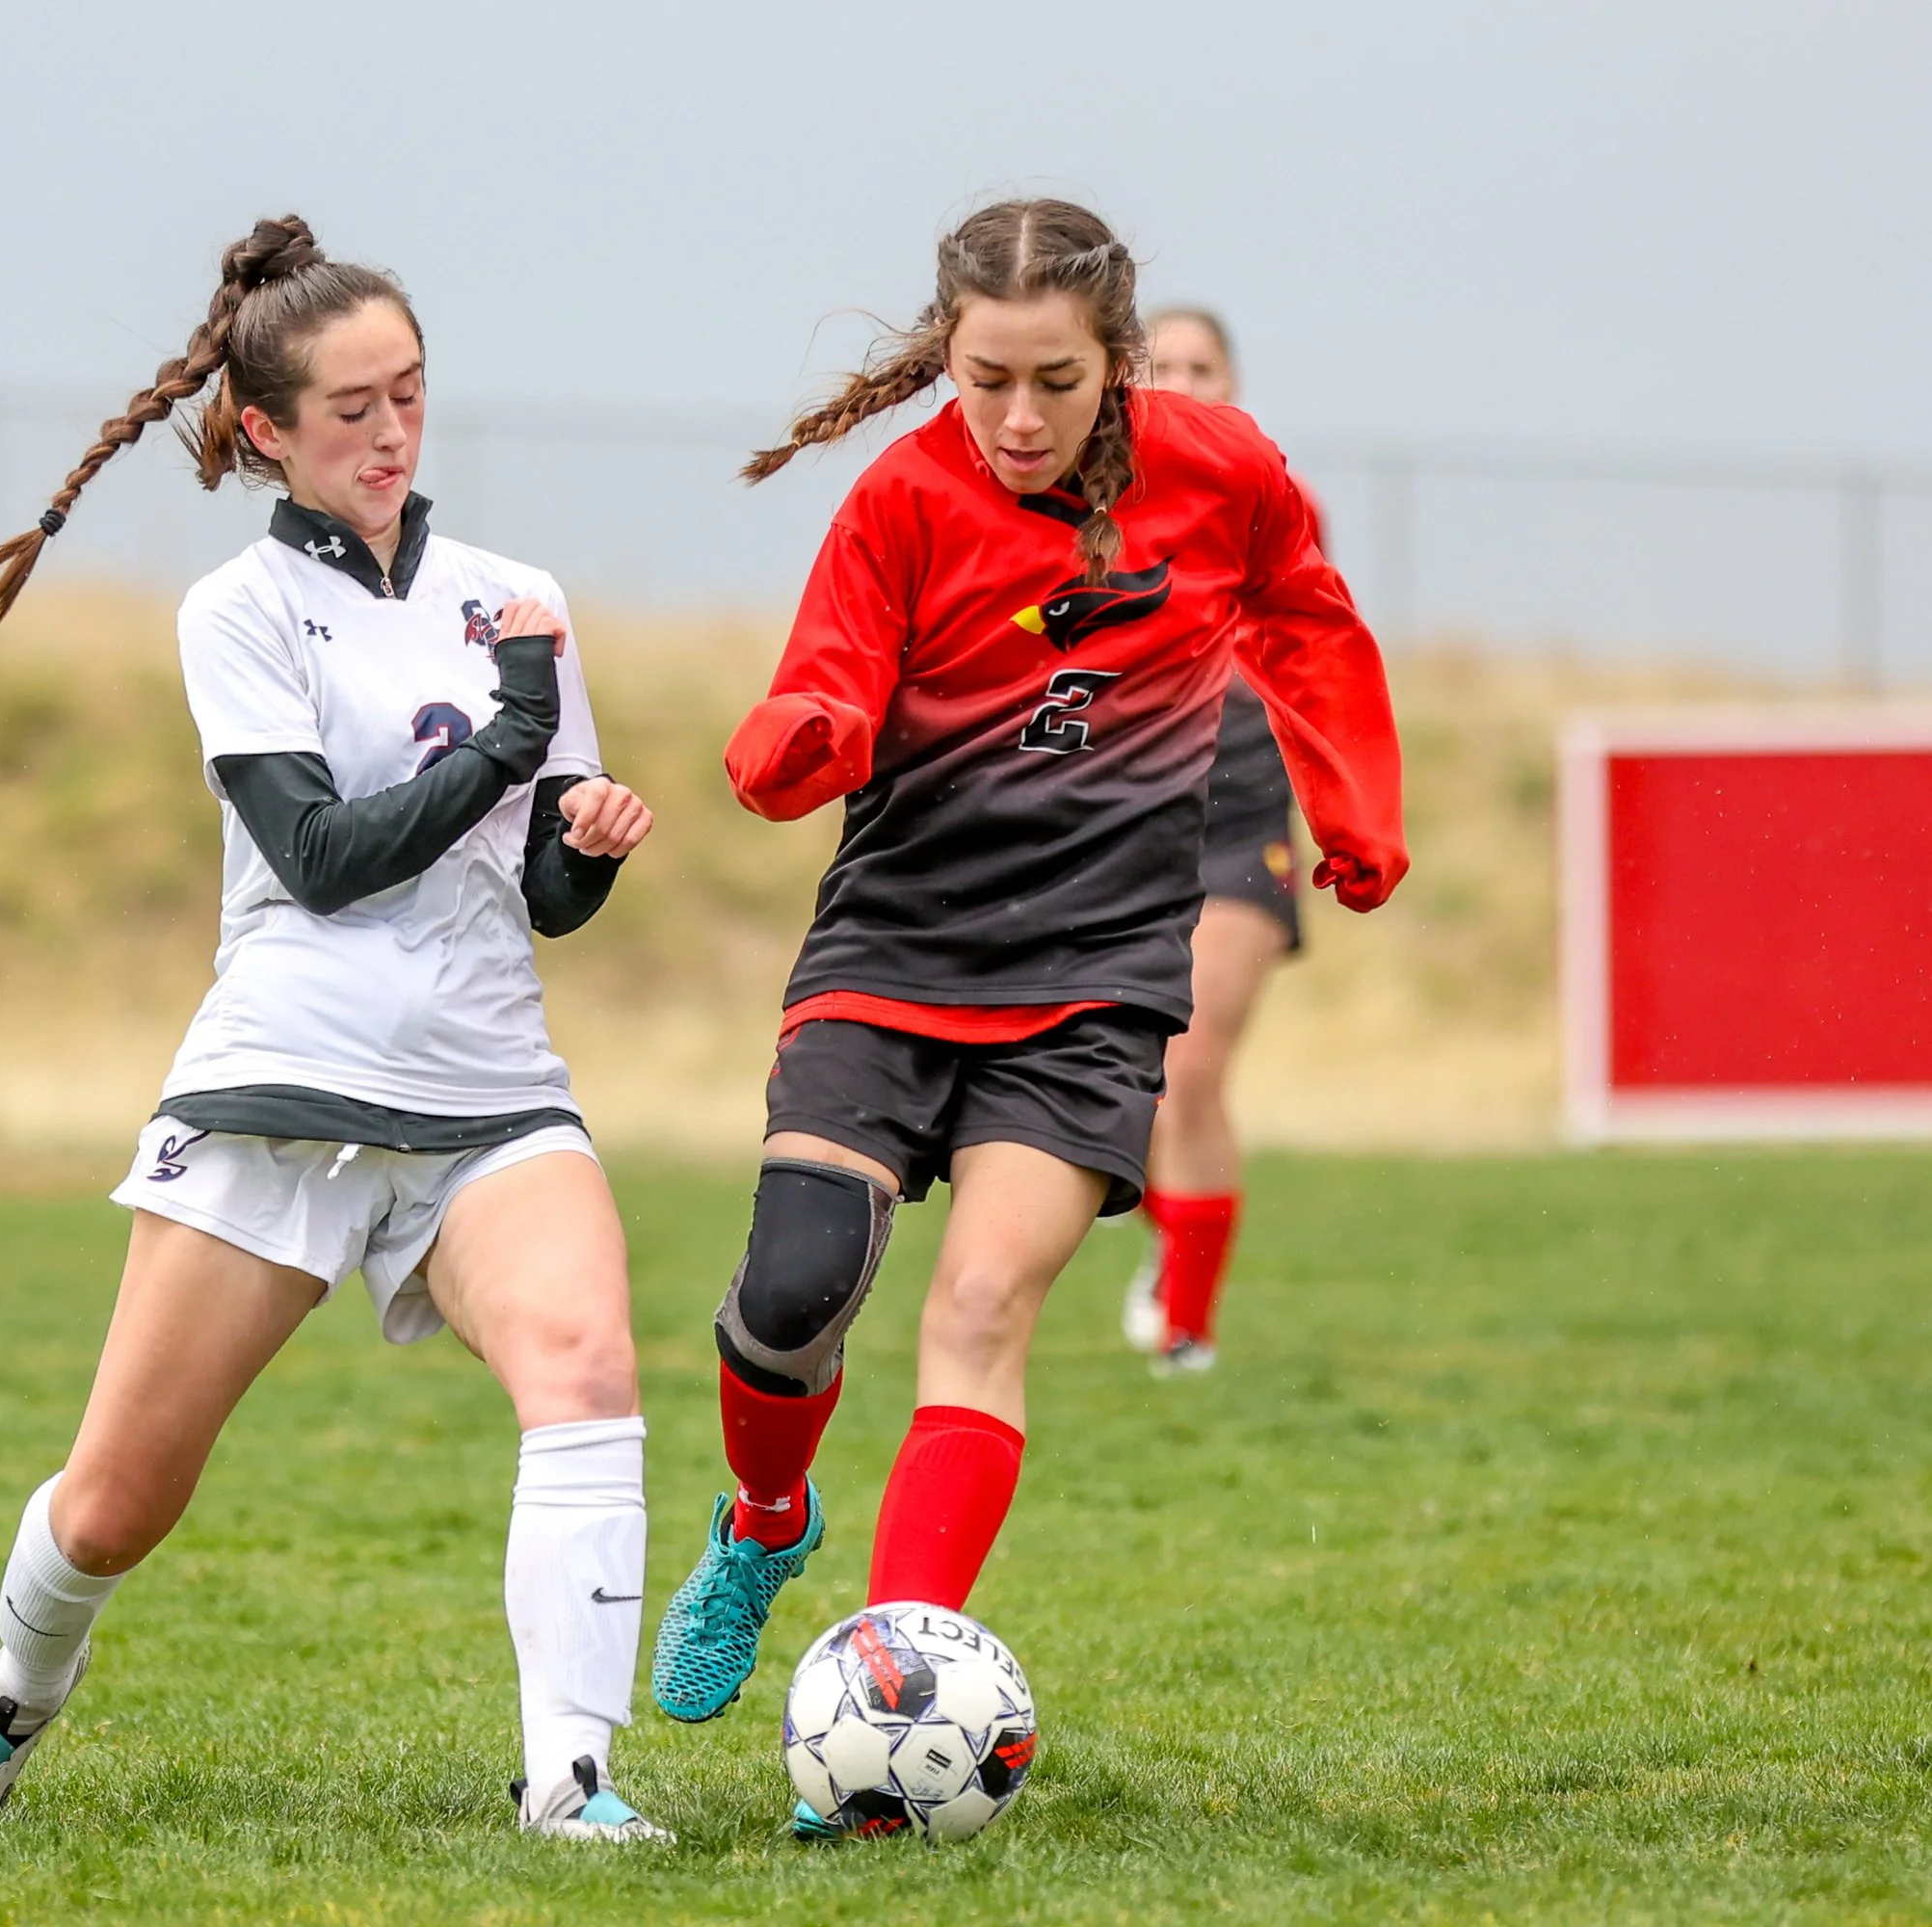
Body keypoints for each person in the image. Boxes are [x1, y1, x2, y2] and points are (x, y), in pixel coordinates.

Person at [0, 215, 670, 1843]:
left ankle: (574, 1784)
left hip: (489, 1087)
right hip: (285, 1087)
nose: (392, 433)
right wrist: (510, 745)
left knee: (588, 1362)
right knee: (116, 1504)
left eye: (411, 395)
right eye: (350, 410)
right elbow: (318, 860)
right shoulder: (236, 613)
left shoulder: (513, 600)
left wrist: (579, 832)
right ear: (266, 430)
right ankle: (9, 1703)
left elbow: (534, 893)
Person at [643, 202, 1408, 1819]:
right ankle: (766, 1525)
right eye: (984, 378)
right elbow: (830, 679)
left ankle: (881, 1689)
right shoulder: (903, 498)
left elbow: (1311, 620)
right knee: (795, 1291)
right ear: (950, 356)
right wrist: (806, 734)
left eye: (1054, 381)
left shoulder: (1227, 472)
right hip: (896, 950)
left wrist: (1352, 802)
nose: (1015, 418)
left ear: (1116, 361)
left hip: (1095, 976)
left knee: (982, 1309)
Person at [1120, 307, 1324, 1375]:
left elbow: (1312, 653)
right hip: (1118, 816)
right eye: (1160, 364)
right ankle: (1162, 1219)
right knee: (1129, 1072)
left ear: (1234, 381)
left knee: (1192, 1069)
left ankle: (1187, 1325)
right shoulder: (1081, 501)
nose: (1182, 381)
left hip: (1243, 812)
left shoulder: (1276, 502)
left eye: (1202, 365)